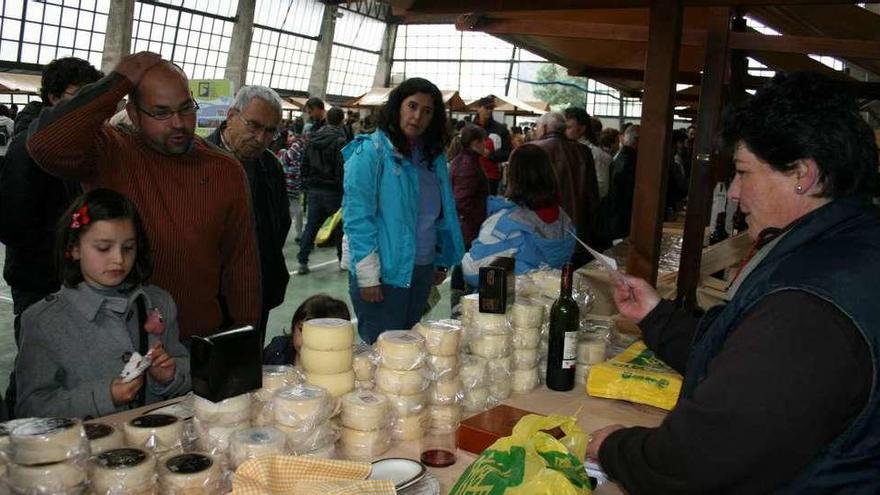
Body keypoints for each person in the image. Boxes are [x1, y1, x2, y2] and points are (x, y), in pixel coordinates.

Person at [589, 71, 880, 493]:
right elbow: (741, 356)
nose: (736, 193)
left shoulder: (810, 307)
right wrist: (655, 316)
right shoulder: (849, 244)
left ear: (804, 173)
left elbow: (701, 460)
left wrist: (615, 447)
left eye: (744, 172)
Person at [27, 52, 261, 340]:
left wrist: (244, 335)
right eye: (161, 112)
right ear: (134, 114)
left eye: (186, 108)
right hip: (113, 345)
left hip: (194, 340)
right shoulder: (108, 152)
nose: (178, 123)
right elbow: (45, 146)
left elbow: (242, 264)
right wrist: (119, 79)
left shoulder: (225, 170)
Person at [16, 189, 191, 418]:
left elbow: (186, 370)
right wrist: (104, 396)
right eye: (103, 248)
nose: (118, 259)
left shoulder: (158, 302)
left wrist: (171, 375)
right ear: (74, 248)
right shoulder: (43, 321)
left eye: (128, 248)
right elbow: (31, 409)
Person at [0, 57, 103, 415]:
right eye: (75, 97)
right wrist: (65, 242)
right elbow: (11, 223)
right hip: (39, 282)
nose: (82, 108)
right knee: (35, 369)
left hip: (73, 280)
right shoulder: (28, 147)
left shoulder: (82, 144)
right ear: (52, 97)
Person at [343, 77, 465, 344]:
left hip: (422, 269)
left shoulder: (433, 158)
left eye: (427, 111)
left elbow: (443, 213)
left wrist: (441, 259)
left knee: (409, 348)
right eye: (412, 106)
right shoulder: (369, 152)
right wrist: (367, 276)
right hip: (383, 274)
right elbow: (357, 219)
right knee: (383, 352)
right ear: (398, 106)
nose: (417, 116)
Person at [207, 85, 291, 344]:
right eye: (253, 126)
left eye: (270, 131)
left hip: (257, 289)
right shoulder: (198, 161)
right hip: (209, 294)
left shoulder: (270, 166)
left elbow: (281, 222)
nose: (261, 138)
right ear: (231, 116)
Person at [461, 144, 575, 286]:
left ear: (513, 177)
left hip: (513, 303)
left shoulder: (506, 225)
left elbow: (472, 271)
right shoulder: (564, 218)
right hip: (551, 298)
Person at [533, 111, 601, 264]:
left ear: (544, 128)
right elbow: (593, 196)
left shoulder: (531, 150)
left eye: (536, 127)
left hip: (542, 232)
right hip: (578, 232)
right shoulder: (584, 152)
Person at [297, 106, 347, 274]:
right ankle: (342, 260)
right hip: (333, 190)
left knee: (311, 225)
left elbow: (304, 163)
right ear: (341, 121)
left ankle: (302, 261)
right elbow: (342, 167)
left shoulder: (313, 138)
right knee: (340, 225)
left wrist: (305, 182)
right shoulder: (340, 141)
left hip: (314, 188)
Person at [449, 124, 489, 311]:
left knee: (462, 266)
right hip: (468, 227)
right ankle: (459, 307)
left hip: (464, 225)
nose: (485, 144)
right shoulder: (468, 165)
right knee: (464, 268)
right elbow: (461, 200)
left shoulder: (463, 160)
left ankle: (458, 305)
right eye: (482, 141)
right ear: (475, 142)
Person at [262, 294, 351, 365]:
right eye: (302, 330)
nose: (308, 341)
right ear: (293, 328)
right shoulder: (277, 351)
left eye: (320, 336)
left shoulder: (344, 366)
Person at [601, 124, 639, 243]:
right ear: (637, 141)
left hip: (614, 220)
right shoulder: (632, 162)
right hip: (623, 221)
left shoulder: (619, 159)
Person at [564, 107, 612, 199]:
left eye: (568, 127)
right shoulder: (565, 149)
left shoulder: (596, 154)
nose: (564, 131)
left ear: (582, 129)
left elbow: (601, 189)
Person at [474, 96, 511, 195]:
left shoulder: (501, 129)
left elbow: (508, 152)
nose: (489, 111)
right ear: (479, 108)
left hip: (491, 177)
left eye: (491, 108)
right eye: (486, 108)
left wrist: (491, 155)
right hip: (471, 173)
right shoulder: (470, 128)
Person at [280, 119, 306, 243]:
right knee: (295, 211)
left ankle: (300, 234)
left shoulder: (296, 147)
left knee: (296, 211)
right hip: (289, 186)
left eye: (292, 135)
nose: (291, 138)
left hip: (292, 187)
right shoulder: (290, 149)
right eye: (289, 136)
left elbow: (287, 160)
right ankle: (299, 234)